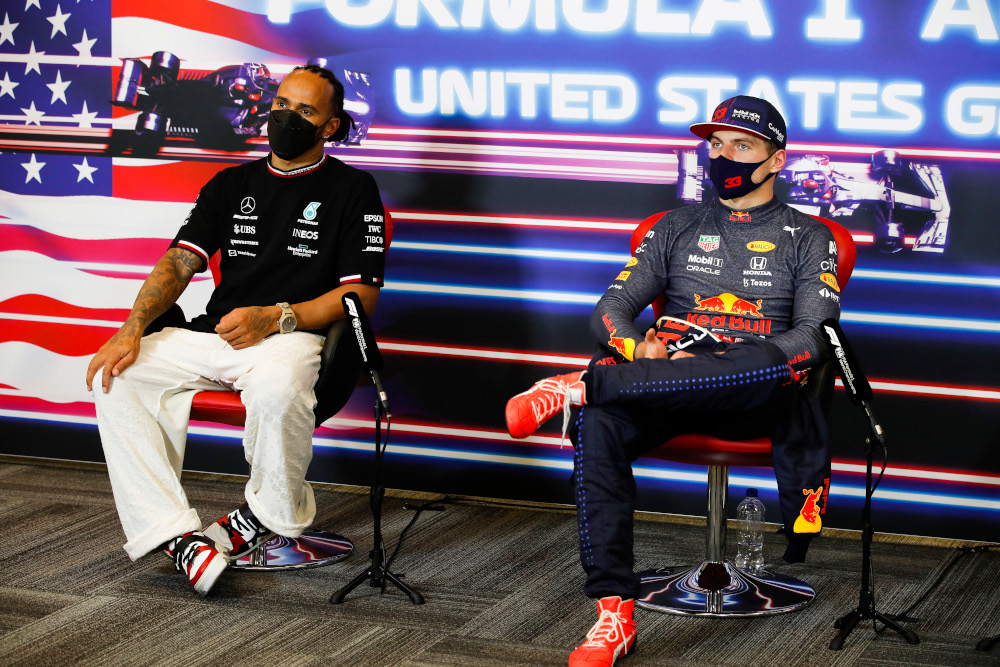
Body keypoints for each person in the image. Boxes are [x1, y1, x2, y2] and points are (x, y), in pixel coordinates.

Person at [505, 96, 840, 666]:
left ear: (777, 160)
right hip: (662, 385)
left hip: (754, 391)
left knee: (767, 360)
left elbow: (813, 334)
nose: (723, 156)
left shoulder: (808, 236)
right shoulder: (675, 226)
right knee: (601, 425)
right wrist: (636, 347)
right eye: (716, 144)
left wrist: (741, 356)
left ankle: (580, 387)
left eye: (742, 145)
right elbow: (611, 306)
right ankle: (614, 612)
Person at [86, 65, 387, 595]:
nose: (286, 117)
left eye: (305, 111)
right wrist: (131, 328)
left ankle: (267, 521)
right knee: (117, 374)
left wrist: (276, 316)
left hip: (293, 338)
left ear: (331, 127)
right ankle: (177, 537)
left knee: (278, 386)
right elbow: (180, 260)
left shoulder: (354, 188)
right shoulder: (230, 183)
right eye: (281, 104)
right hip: (214, 335)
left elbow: (358, 296)